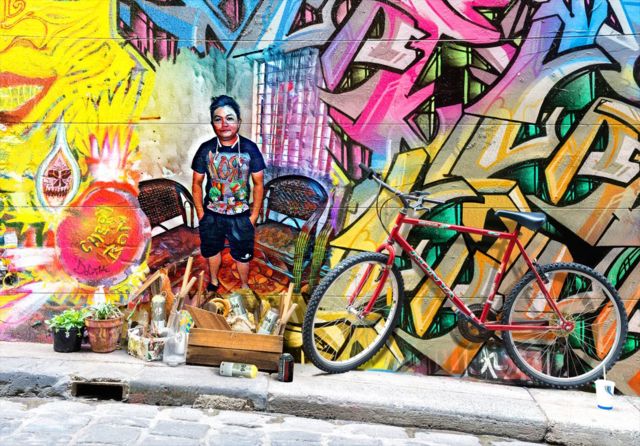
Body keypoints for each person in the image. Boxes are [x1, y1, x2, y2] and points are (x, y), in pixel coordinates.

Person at [191, 95, 265, 292]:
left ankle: (244, 286)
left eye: (229, 118)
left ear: (238, 122)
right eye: (218, 119)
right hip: (211, 215)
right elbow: (197, 183)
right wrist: (201, 214)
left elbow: (258, 184)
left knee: (243, 255)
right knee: (212, 251)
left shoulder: (250, 149)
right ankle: (214, 281)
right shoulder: (205, 149)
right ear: (213, 124)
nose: (224, 124)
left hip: (241, 215)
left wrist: (254, 216)